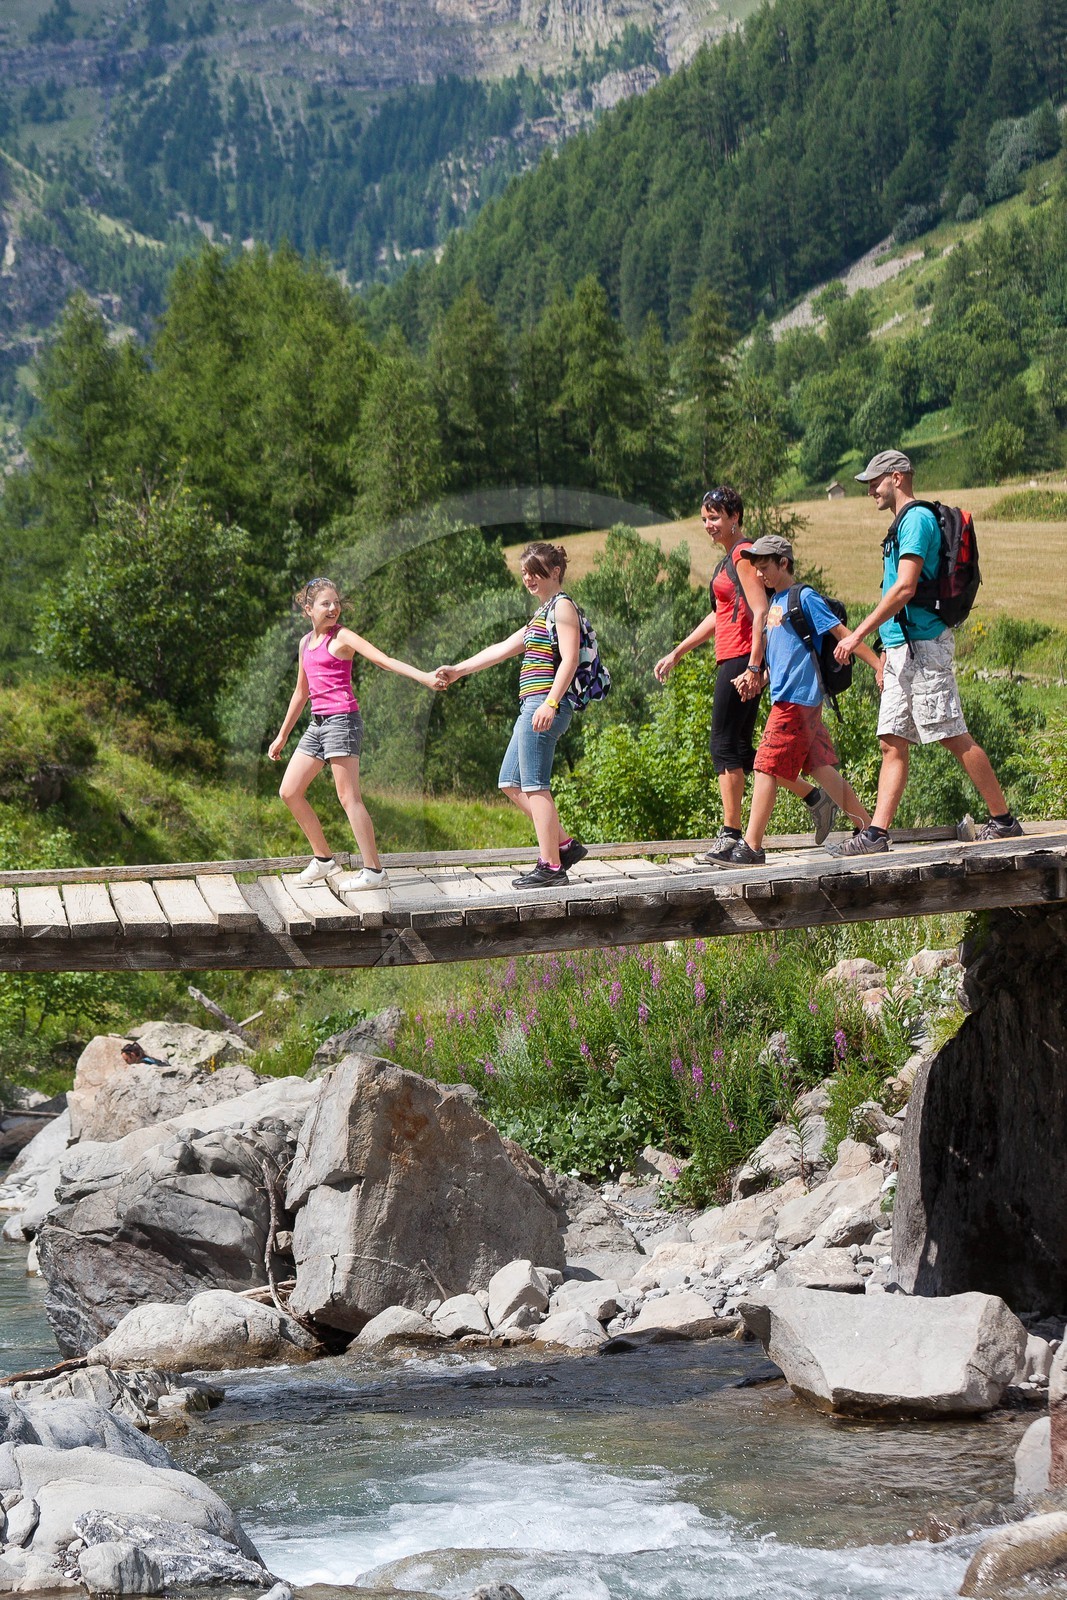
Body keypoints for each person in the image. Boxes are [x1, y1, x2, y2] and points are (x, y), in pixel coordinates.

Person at [831, 450, 1023, 856]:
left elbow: (904, 589)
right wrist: (885, 651)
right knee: (891, 739)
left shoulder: (916, 520)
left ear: (897, 477)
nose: (870, 490)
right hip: (903, 649)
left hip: (924, 650)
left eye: (875, 481)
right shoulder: (901, 524)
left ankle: (1003, 821)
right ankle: (877, 834)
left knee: (952, 735)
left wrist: (856, 635)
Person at [654, 486, 838, 862]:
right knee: (741, 750)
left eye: (716, 517)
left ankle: (732, 833)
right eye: (705, 518)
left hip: (741, 658)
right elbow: (719, 616)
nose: (709, 524)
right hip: (735, 657)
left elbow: (759, 611)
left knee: (724, 746)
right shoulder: (728, 561)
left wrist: (755, 667)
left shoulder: (741, 555)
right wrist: (678, 651)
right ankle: (813, 797)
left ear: (735, 517)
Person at [712, 535, 880, 866]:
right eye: (756, 569)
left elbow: (843, 635)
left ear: (784, 563)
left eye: (765, 568)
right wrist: (758, 675)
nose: (759, 575)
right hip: (792, 699)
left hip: (796, 701)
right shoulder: (776, 602)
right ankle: (867, 830)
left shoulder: (804, 597)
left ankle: (752, 847)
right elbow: (784, 654)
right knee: (820, 768)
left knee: (764, 764)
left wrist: (878, 666)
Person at [269, 577, 440, 889]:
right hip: (317, 724)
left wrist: (424, 677)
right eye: (326, 603)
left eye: (336, 602)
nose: (334, 608)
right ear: (308, 609)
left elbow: (384, 661)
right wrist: (282, 735)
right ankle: (323, 860)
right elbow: (300, 693)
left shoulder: (343, 637)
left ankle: (374, 871)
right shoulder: (305, 643)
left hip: (342, 721)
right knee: (289, 791)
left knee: (349, 797)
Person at [434, 542, 587, 889]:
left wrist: (550, 703)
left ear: (556, 571)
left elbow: (570, 659)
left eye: (536, 572)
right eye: (525, 574)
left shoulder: (563, 608)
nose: (529, 579)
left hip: (544, 704)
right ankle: (564, 845)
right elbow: (501, 649)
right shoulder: (542, 613)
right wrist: (458, 670)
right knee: (510, 781)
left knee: (535, 785)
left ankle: (550, 866)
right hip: (531, 705)